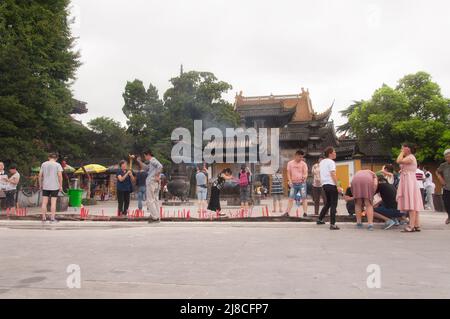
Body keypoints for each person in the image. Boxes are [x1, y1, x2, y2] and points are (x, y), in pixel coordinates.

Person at [396, 143, 424, 232]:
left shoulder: (410, 157)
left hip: (409, 180)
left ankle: (411, 226)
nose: (402, 149)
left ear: (408, 149)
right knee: (413, 202)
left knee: (412, 203)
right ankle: (416, 224)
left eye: (403, 147)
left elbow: (399, 160)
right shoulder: (410, 157)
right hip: (407, 179)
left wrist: (401, 152)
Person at [317, 147, 342, 230]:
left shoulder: (322, 162)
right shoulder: (331, 162)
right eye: (334, 152)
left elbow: (320, 173)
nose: (335, 153)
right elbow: (333, 174)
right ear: (330, 153)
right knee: (334, 204)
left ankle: (320, 219)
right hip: (331, 184)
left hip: (324, 184)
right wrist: (338, 185)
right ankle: (333, 224)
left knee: (328, 203)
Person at [137, 150, 163, 222]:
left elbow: (160, 166)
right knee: (155, 200)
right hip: (154, 182)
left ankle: (154, 217)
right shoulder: (152, 162)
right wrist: (139, 161)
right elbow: (146, 168)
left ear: (148, 155)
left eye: (145, 156)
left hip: (151, 181)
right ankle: (157, 216)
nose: (145, 158)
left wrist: (157, 175)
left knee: (150, 200)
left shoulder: (152, 160)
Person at [39, 153, 63, 223]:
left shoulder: (43, 164)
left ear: (48, 157)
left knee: (44, 203)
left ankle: (43, 218)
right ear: (56, 158)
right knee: (53, 203)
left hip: (45, 186)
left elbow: (40, 175)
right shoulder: (57, 165)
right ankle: (52, 218)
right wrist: (60, 185)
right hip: (54, 186)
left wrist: (40, 184)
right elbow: (60, 176)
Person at [284, 150, 308, 217]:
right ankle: (287, 212)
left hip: (302, 184)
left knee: (304, 198)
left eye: (302, 157)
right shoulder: (290, 163)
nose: (301, 158)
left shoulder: (303, 164)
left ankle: (305, 213)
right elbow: (288, 173)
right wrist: (289, 181)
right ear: (296, 156)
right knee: (291, 198)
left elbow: (305, 173)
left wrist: (304, 177)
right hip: (293, 184)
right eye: (300, 157)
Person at [436, 149, 450, 224]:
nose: (447, 158)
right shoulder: (443, 165)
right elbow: (437, 172)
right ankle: (449, 216)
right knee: (446, 203)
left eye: (449, 157)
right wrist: (440, 178)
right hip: (446, 187)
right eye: (446, 157)